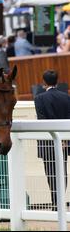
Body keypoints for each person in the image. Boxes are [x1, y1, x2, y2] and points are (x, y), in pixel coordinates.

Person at [34, 70, 70, 210]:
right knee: (63, 171)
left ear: (44, 82)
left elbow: (42, 120)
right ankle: (60, 200)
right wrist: (63, 138)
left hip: (47, 141)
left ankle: (55, 201)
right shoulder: (66, 97)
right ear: (57, 81)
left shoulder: (39, 98)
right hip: (64, 141)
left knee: (50, 172)